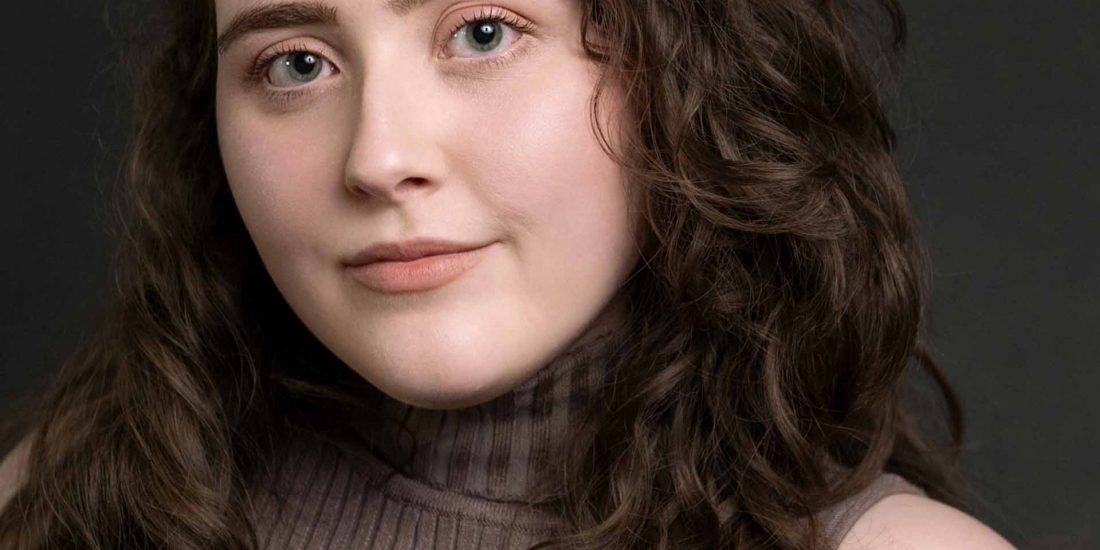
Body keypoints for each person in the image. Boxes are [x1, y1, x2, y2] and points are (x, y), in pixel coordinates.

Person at [0, 0, 1016, 548]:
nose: (377, 155)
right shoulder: (66, 501)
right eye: (296, 61)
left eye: (482, 32)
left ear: (685, 66)